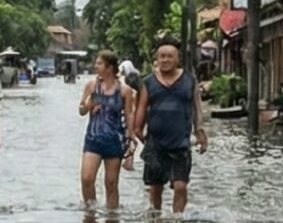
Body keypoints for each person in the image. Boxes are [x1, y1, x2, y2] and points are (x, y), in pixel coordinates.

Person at [138, 38, 207, 213]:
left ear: (177, 59)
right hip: (156, 143)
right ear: (157, 59)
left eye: (170, 56)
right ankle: (156, 220)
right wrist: (138, 133)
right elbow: (141, 109)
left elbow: (196, 108)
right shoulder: (148, 82)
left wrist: (200, 131)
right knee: (155, 189)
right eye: (162, 56)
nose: (165, 60)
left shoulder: (189, 80)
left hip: (181, 143)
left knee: (181, 186)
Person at [77, 49, 130, 207]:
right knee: (87, 178)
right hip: (93, 139)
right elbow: (81, 110)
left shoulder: (124, 90)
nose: (96, 66)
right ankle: (90, 210)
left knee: (111, 183)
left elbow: (129, 116)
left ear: (110, 67)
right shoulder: (91, 86)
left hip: (114, 140)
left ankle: (112, 219)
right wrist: (88, 105)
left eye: (99, 63)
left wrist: (130, 140)